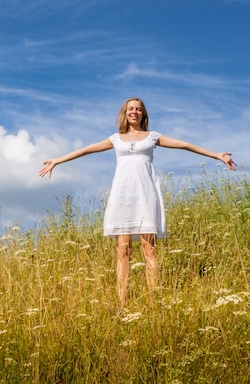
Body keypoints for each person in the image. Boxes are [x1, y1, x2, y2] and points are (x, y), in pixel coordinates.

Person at [39, 97, 236, 309]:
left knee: (149, 249)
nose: (134, 112)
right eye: (130, 109)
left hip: (145, 195)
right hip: (122, 196)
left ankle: (153, 303)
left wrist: (217, 155)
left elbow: (185, 145)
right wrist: (57, 160)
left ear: (143, 114)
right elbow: (86, 149)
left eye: (138, 109)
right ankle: (122, 305)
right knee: (123, 252)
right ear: (125, 113)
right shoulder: (116, 139)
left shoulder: (152, 137)